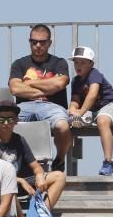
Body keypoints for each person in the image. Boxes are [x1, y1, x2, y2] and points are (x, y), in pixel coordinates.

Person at [9, 24, 72, 170]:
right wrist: (46, 90)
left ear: (50, 43)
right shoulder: (19, 63)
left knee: (63, 127)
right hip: (24, 107)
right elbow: (15, 88)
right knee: (1, 124)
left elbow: (60, 83)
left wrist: (30, 83)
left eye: (42, 42)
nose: (38, 45)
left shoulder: (59, 63)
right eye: (34, 42)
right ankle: (8, 166)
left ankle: (60, 160)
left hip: (53, 107)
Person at [0, 102, 65, 209]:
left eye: (10, 119)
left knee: (59, 177)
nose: (6, 123)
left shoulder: (19, 140)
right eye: (2, 119)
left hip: (22, 184)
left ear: (16, 121)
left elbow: (36, 167)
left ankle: (42, 214)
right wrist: (20, 181)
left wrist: (40, 175)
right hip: (0, 185)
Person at [66, 46, 113, 176]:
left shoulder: (94, 74)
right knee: (66, 121)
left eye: (83, 62)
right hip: (93, 111)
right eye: (76, 62)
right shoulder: (76, 81)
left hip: (112, 106)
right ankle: (61, 163)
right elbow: (75, 100)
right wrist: (72, 111)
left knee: (102, 120)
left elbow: (92, 95)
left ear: (91, 64)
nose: (78, 66)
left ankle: (109, 162)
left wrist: (79, 113)